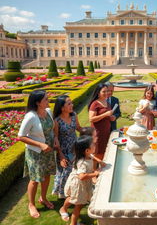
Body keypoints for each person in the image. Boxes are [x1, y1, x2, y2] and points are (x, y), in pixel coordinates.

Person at [18, 90, 56, 218]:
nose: (48, 100)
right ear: (38, 102)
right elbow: (21, 136)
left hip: (49, 150)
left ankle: (43, 198)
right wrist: (40, 145)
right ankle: (31, 204)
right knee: (35, 179)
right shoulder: (31, 116)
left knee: (47, 175)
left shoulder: (48, 111)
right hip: (36, 152)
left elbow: (52, 128)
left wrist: (54, 140)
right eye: (45, 99)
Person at [59, 136, 101, 224]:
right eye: (92, 144)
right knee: (79, 205)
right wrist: (95, 174)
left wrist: (100, 162)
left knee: (72, 198)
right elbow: (82, 176)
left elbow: (93, 156)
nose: (95, 144)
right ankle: (73, 223)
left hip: (80, 183)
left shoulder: (88, 154)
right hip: (78, 184)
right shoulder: (82, 162)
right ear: (87, 150)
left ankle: (63, 208)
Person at [52, 95, 82, 199]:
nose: (72, 105)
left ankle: (73, 190)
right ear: (61, 107)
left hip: (74, 148)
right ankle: (62, 193)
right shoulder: (56, 121)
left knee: (75, 169)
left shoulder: (74, 116)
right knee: (65, 172)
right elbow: (55, 138)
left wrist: (89, 132)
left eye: (71, 103)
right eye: (69, 103)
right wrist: (60, 155)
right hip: (63, 150)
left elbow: (78, 128)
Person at [88, 83, 113, 160]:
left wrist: (110, 117)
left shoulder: (107, 102)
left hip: (106, 131)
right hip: (98, 132)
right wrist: (105, 114)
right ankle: (95, 169)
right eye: (104, 91)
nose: (106, 93)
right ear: (98, 93)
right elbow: (91, 119)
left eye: (107, 91)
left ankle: (101, 168)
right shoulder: (95, 104)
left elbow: (105, 117)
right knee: (97, 152)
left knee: (104, 151)